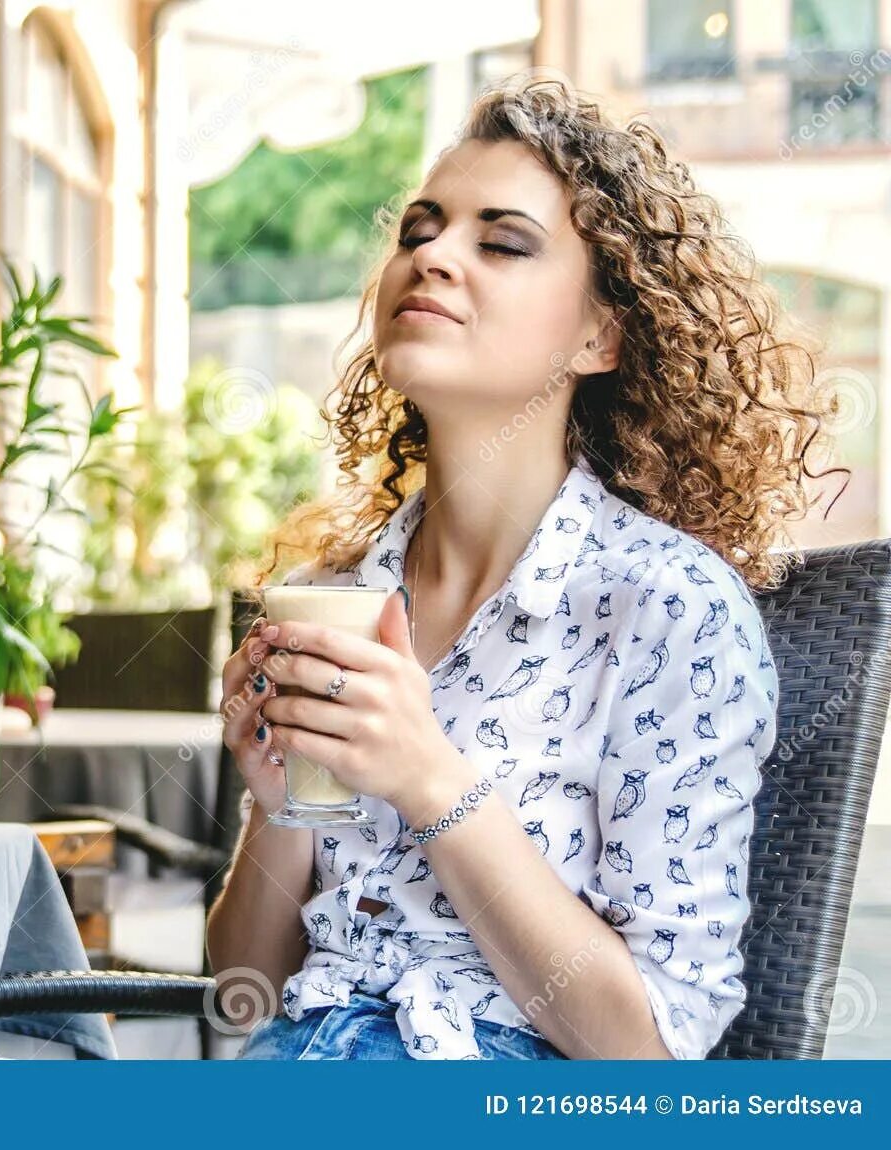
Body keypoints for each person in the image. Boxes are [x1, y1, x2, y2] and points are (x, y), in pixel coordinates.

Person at [207, 75, 842, 1061]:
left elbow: (647, 1053)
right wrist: (284, 801)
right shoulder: (341, 595)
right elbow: (239, 1003)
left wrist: (430, 779)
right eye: (418, 230)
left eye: (499, 241)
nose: (432, 257)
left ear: (600, 334)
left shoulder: (663, 607)